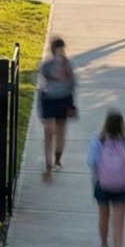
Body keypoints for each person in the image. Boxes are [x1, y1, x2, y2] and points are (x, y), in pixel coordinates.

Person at [89, 110, 125, 247]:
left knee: (103, 215)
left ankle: (104, 245)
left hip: (102, 183)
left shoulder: (98, 139)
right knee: (119, 223)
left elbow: (91, 161)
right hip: (122, 185)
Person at [38, 37, 77, 176]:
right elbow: (72, 84)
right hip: (62, 99)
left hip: (51, 99)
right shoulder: (67, 64)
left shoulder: (47, 65)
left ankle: (52, 162)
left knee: (52, 132)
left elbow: (42, 85)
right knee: (56, 132)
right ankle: (54, 162)